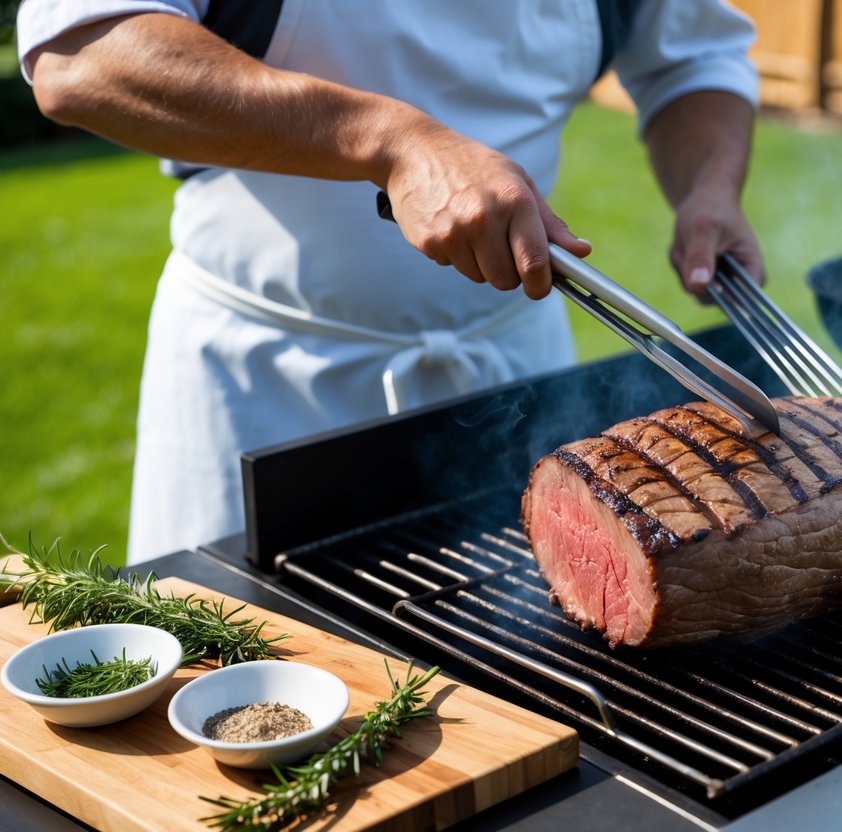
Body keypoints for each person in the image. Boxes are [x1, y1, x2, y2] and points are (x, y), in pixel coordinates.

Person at [16, 1, 765, 564]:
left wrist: (709, 188)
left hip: (512, 373)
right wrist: (393, 143)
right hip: (263, 389)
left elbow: (691, 58)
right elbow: (83, 50)